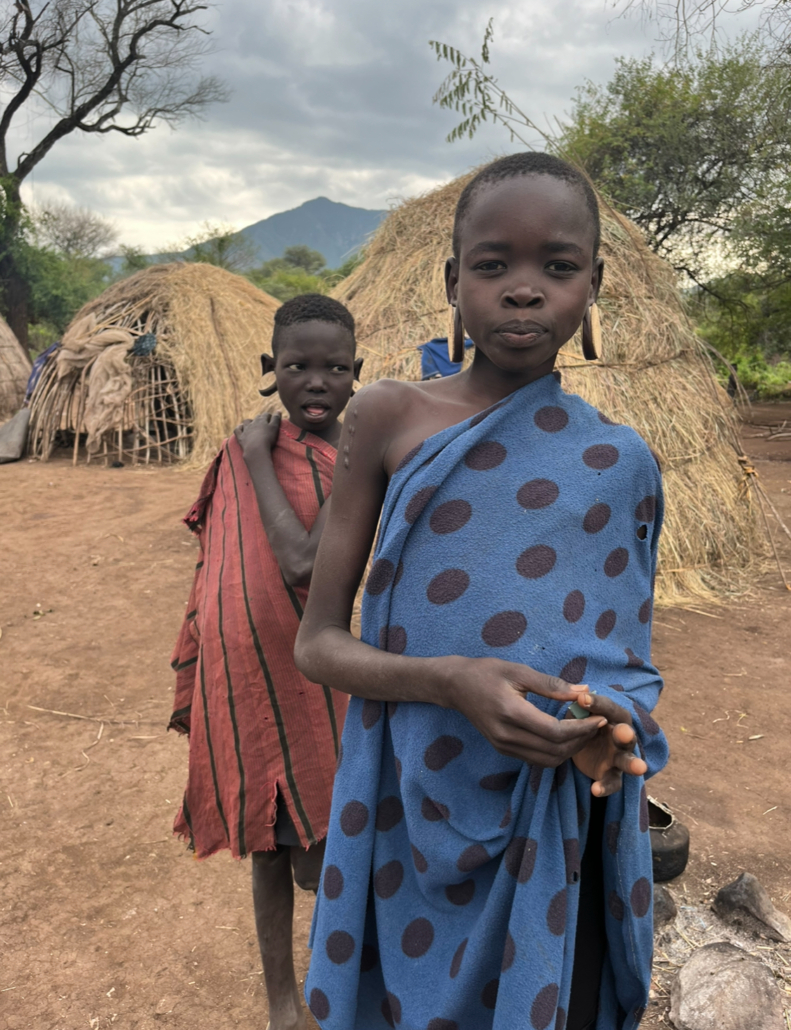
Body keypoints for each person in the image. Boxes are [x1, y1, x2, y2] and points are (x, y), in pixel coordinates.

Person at [294, 154, 669, 1030]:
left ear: (594, 284)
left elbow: (627, 666)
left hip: (553, 821)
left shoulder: (619, 463)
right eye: (494, 265)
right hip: (407, 807)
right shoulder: (386, 416)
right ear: (452, 278)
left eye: (558, 267)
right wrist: (449, 679)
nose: (524, 291)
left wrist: (604, 725)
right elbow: (319, 644)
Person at [169, 293, 362, 1030]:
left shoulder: (354, 456)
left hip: (327, 683)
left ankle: (334, 986)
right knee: (269, 849)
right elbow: (216, 549)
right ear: (268, 370)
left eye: (333, 368)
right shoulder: (238, 448)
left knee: (330, 846)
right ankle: (283, 1003)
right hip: (250, 678)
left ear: (356, 374)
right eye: (297, 366)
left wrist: (254, 457)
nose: (315, 381)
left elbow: (302, 559)